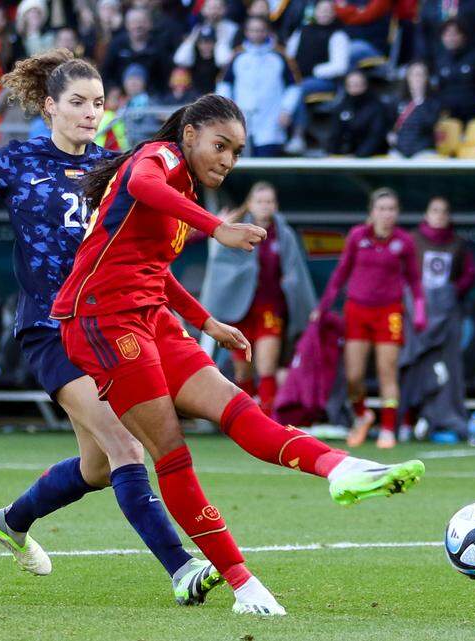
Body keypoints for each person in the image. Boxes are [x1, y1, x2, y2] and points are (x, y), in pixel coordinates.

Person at [55, 94, 425, 616]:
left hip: (149, 317)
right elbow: (141, 185)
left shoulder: (183, 190)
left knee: (239, 407)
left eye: (237, 152)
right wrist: (216, 228)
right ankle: (243, 585)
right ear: (190, 135)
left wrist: (207, 322)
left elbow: (153, 269)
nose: (227, 160)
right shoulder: (157, 160)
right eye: (220, 145)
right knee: (172, 451)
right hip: (99, 320)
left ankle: (340, 468)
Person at [0, 49, 229, 606]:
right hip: (51, 326)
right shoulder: (16, 159)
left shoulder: (115, 165)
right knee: (127, 449)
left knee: (95, 465)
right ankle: (182, 568)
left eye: (99, 103)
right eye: (79, 103)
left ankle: (9, 521)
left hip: (106, 322)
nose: (92, 113)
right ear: (49, 106)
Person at [314, 188, 426, 449]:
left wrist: (420, 311)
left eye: (391, 209)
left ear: (397, 213)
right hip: (357, 310)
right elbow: (340, 274)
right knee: (353, 375)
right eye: (382, 209)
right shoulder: (357, 236)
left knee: (388, 371)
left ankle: (388, 429)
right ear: (372, 212)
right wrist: (323, 307)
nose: (387, 215)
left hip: (389, 312)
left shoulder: (404, 241)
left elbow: (414, 281)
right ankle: (363, 415)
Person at [200, 182, 316, 417]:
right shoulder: (234, 229)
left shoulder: (284, 234)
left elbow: (296, 272)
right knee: (243, 371)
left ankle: (269, 420)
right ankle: (248, 419)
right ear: (250, 204)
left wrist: (295, 292)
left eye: (270, 202)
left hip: (270, 308)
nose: (265, 206)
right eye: (260, 201)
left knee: (267, 366)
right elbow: (220, 267)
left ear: (275, 205)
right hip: (240, 310)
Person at [399, 196, 475, 441]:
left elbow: (469, 275)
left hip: (446, 319)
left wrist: (449, 293)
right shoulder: (411, 240)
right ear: (426, 213)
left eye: (444, 211)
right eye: (435, 210)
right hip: (416, 317)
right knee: (411, 364)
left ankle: (442, 418)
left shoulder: (459, 244)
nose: (439, 215)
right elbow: (401, 272)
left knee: (447, 371)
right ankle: (406, 421)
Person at [217, 16, 295, 157]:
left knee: (267, 163)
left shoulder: (280, 55)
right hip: (242, 118)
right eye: (252, 30)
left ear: (268, 31)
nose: (256, 34)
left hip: (271, 118)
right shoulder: (237, 55)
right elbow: (224, 84)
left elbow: (294, 86)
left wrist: (287, 110)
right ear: (246, 32)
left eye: (260, 30)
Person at [282, 0, 350, 154]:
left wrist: (315, 70)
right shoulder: (302, 31)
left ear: (333, 13)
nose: (324, 13)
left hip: (325, 82)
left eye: (328, 10)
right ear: (315, 12)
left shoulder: (338, 34)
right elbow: (289, 56)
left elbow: (340, 66)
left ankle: (298, 135)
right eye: (321, 10)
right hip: (299, 79)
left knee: (298, 89)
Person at [326, 70, 389, 157]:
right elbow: (335, 134)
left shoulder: (377, 108)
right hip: (346, 157)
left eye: (358, 84)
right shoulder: (341, 107)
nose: (354, 88)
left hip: (371, 158)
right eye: (350, 85)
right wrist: (332, 153)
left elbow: (375, 136)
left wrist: (358, 156)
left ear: (365, 85)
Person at [389, 60, 442, 158]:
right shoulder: (397, 101)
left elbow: (430, 123)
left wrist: (419, 100)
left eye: (420, 75)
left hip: (424, 150)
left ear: (426, 78)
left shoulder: (434, 102)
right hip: (399, 151)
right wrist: (389, 134)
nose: (416, 79)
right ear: (407, 78)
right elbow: (389, 122)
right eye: (413, 75)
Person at [433, 19, 475, 122]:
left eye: (455, 34)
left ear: (463, 36)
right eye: (447, 35)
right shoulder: (439, 60)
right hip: (447, 115)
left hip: (473, 114)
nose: (451, 38)